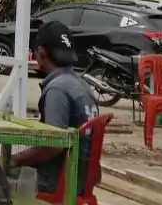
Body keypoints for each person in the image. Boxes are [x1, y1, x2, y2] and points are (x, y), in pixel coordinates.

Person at [10, 21, 99, 196]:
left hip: (59, 182)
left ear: (41, 53)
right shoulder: (82, 85)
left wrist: (15, 160)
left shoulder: (57, 89)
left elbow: (53, 145)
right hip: (81, 177)